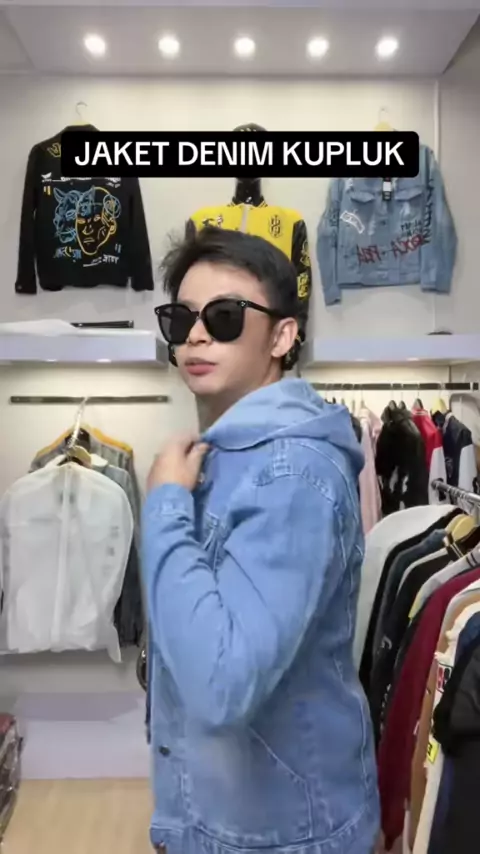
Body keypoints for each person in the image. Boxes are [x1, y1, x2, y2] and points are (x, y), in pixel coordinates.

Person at [142, 227, 379, 854]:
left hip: (280, 834)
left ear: (282, 336)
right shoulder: (227, 457)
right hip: (232, 815)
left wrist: (164, 506)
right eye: (181, 319)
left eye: (223, 317)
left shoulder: (289, 474)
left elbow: (222, 684)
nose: (195, 336)